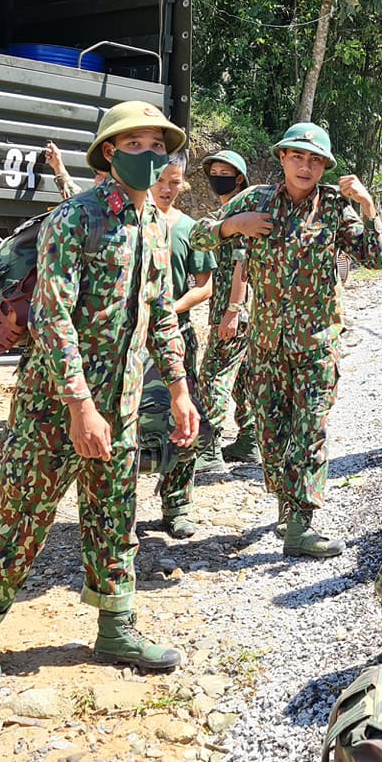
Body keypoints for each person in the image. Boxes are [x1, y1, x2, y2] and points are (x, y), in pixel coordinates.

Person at [0, 101, 201, 692]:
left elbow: (162, 312)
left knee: (115, 516)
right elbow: (53, 314)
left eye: (157, 145)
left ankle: (117, 626)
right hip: (54, 407)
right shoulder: (75, 218)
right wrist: (79, 407)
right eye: (136, 145)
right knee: (23, 516)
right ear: (110, 154)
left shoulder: (154, 224)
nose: (150, 156)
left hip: (122, 404)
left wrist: (181, 387)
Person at [191, 124, 382, 558]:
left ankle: (300, 524)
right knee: (272, 438)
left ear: (324, 167)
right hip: (265, 347)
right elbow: (196, 237)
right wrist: (232, 226)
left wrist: (369, 206)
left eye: (315, 160)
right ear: (282, 158)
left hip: (317, 345)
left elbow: (375, 257)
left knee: (309, 433)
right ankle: (287, 504)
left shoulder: (335, 207)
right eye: (298, 157)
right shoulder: (254, 201)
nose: (306, 166)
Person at [151, 154, 219, 537]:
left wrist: (166, 311)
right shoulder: (129, 224)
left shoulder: (190, 229)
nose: (167, 188)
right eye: (161, 180)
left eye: (175, 182)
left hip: (176, 339)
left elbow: (204, 286)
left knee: (184, 421)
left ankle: (176, 505)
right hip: (128, 345)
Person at [196, 150, 262, 466]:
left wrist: (233, 311)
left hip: (235, 310)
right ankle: (249, 440)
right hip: (242, 312)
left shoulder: (242, 214)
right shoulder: (228, 213)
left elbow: (242, 265)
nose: (217, 177)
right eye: (214, 171)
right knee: (244, 377)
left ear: (238, 179)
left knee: (212, 376)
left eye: (225, 172)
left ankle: (207, 449)